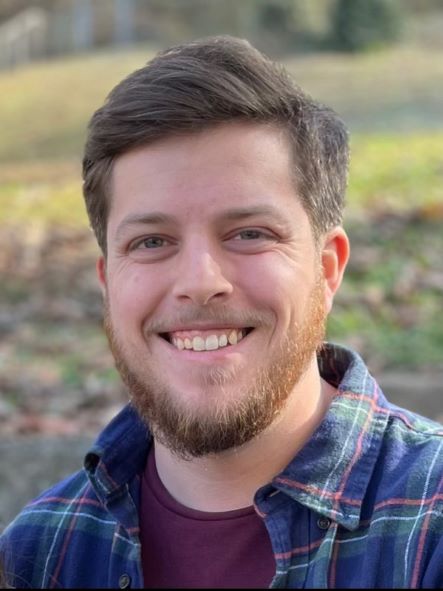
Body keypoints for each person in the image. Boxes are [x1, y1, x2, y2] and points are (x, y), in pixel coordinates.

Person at [0, 35, 442, 589]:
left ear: (327, 269)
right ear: (108, 282)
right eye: (152, 242)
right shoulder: (38, 554)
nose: (200, 283)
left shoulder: (431, 523)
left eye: (250, 234)